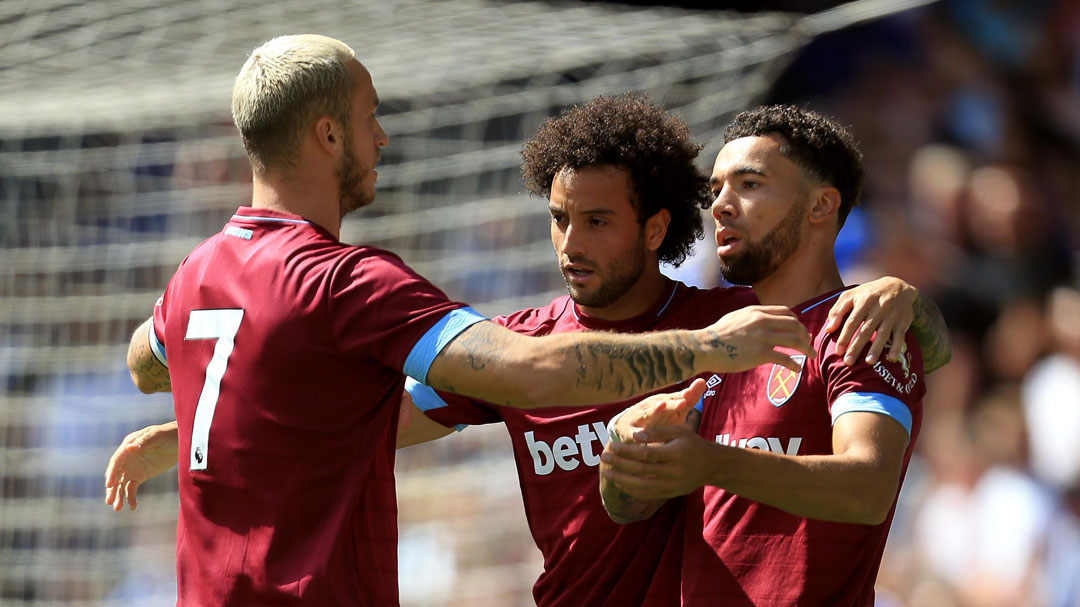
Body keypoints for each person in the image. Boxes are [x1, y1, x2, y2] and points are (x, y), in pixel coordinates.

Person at [111, 84, 946, 606]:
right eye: (558, 219)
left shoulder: (728, 322)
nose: (570, 243)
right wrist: (191, 438)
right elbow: (353, 427)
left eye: (595, 221)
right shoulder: (527, 344)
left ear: (655, 227)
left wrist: (906, 298)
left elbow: (854, 342)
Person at [600, 105, 933, 606]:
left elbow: (868, 488)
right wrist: (626, 457)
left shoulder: (860, 328)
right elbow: (629, 508)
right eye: (716, 190)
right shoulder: (715, 338)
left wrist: (707, 462)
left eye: (749, 184)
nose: (721, 206)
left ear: (821, 205)